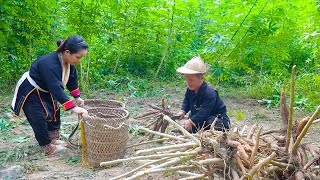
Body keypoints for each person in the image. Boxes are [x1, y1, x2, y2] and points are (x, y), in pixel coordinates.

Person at [11, 35, 88, 155]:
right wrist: (72, 107)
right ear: (67, 52)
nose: (79, 60)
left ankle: (53, 139)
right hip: (32, 90)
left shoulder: (68, 63)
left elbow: (72, 80)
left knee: (54, 112)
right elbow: (55, 87)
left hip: (47, 89)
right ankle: (46, 146)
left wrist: (77, 97)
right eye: (78, 57)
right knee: (38, 118)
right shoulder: (49, 64)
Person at [175, 56, 231, 133]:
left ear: (201, 78)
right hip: (200, 117)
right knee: (191, 124)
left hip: (216, 119)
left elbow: (204, 112)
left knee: (210, 123)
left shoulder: (209, 93)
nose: (188, 82)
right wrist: (183, 111)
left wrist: (191, 121)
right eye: (186, 79)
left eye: (191, 79)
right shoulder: (190, 89)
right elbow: (187, 101)